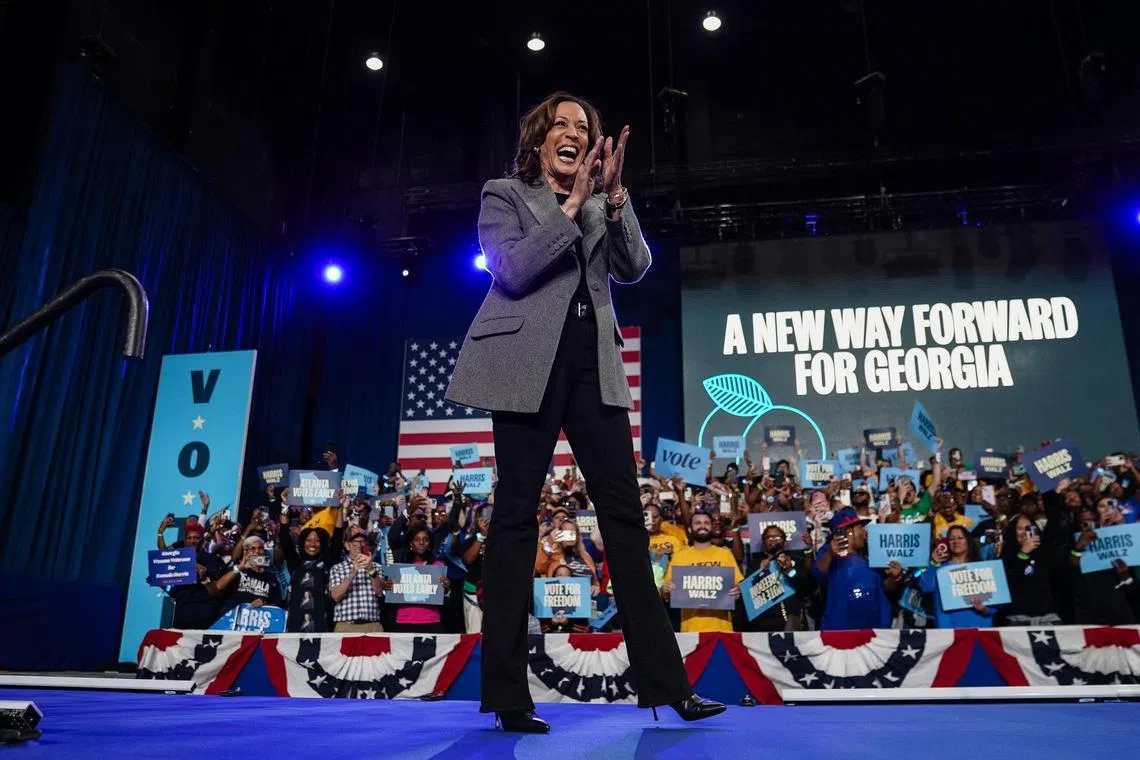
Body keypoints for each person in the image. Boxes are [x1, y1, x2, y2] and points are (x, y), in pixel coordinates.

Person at [445, 91, 724, 732]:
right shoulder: (504, 194)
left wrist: (615, 199)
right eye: (561, 125)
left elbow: (635, 266)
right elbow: (509, 270)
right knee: (514, 520)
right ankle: (509, 697)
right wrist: (570, 209)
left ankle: (668, 686)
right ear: (540, 141)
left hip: (592, 362)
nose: (573, 133)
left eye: (584, 127)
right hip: (524, 364)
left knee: (625, 520)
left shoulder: (603, 202)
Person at [661, 512, 742, 632]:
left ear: (712, 527)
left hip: (722, 629)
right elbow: (666, 593)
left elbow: (738, 585)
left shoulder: (725, 554)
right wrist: (666, 589)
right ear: (690, 529)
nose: (702, 526)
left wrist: (737, 591)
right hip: (690, 630)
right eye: (698, 523)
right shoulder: (679, 556)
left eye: (706, 523)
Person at [918, 524, 1000, 627]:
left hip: (979, 628)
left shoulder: (982, 569)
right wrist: (934, 564)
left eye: (960, 538)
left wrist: (985, 609)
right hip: (948, 630)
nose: (956, 542)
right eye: (952, 539)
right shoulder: (940, 569)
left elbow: (996, 604)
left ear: (968, 541)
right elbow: (926, 587)